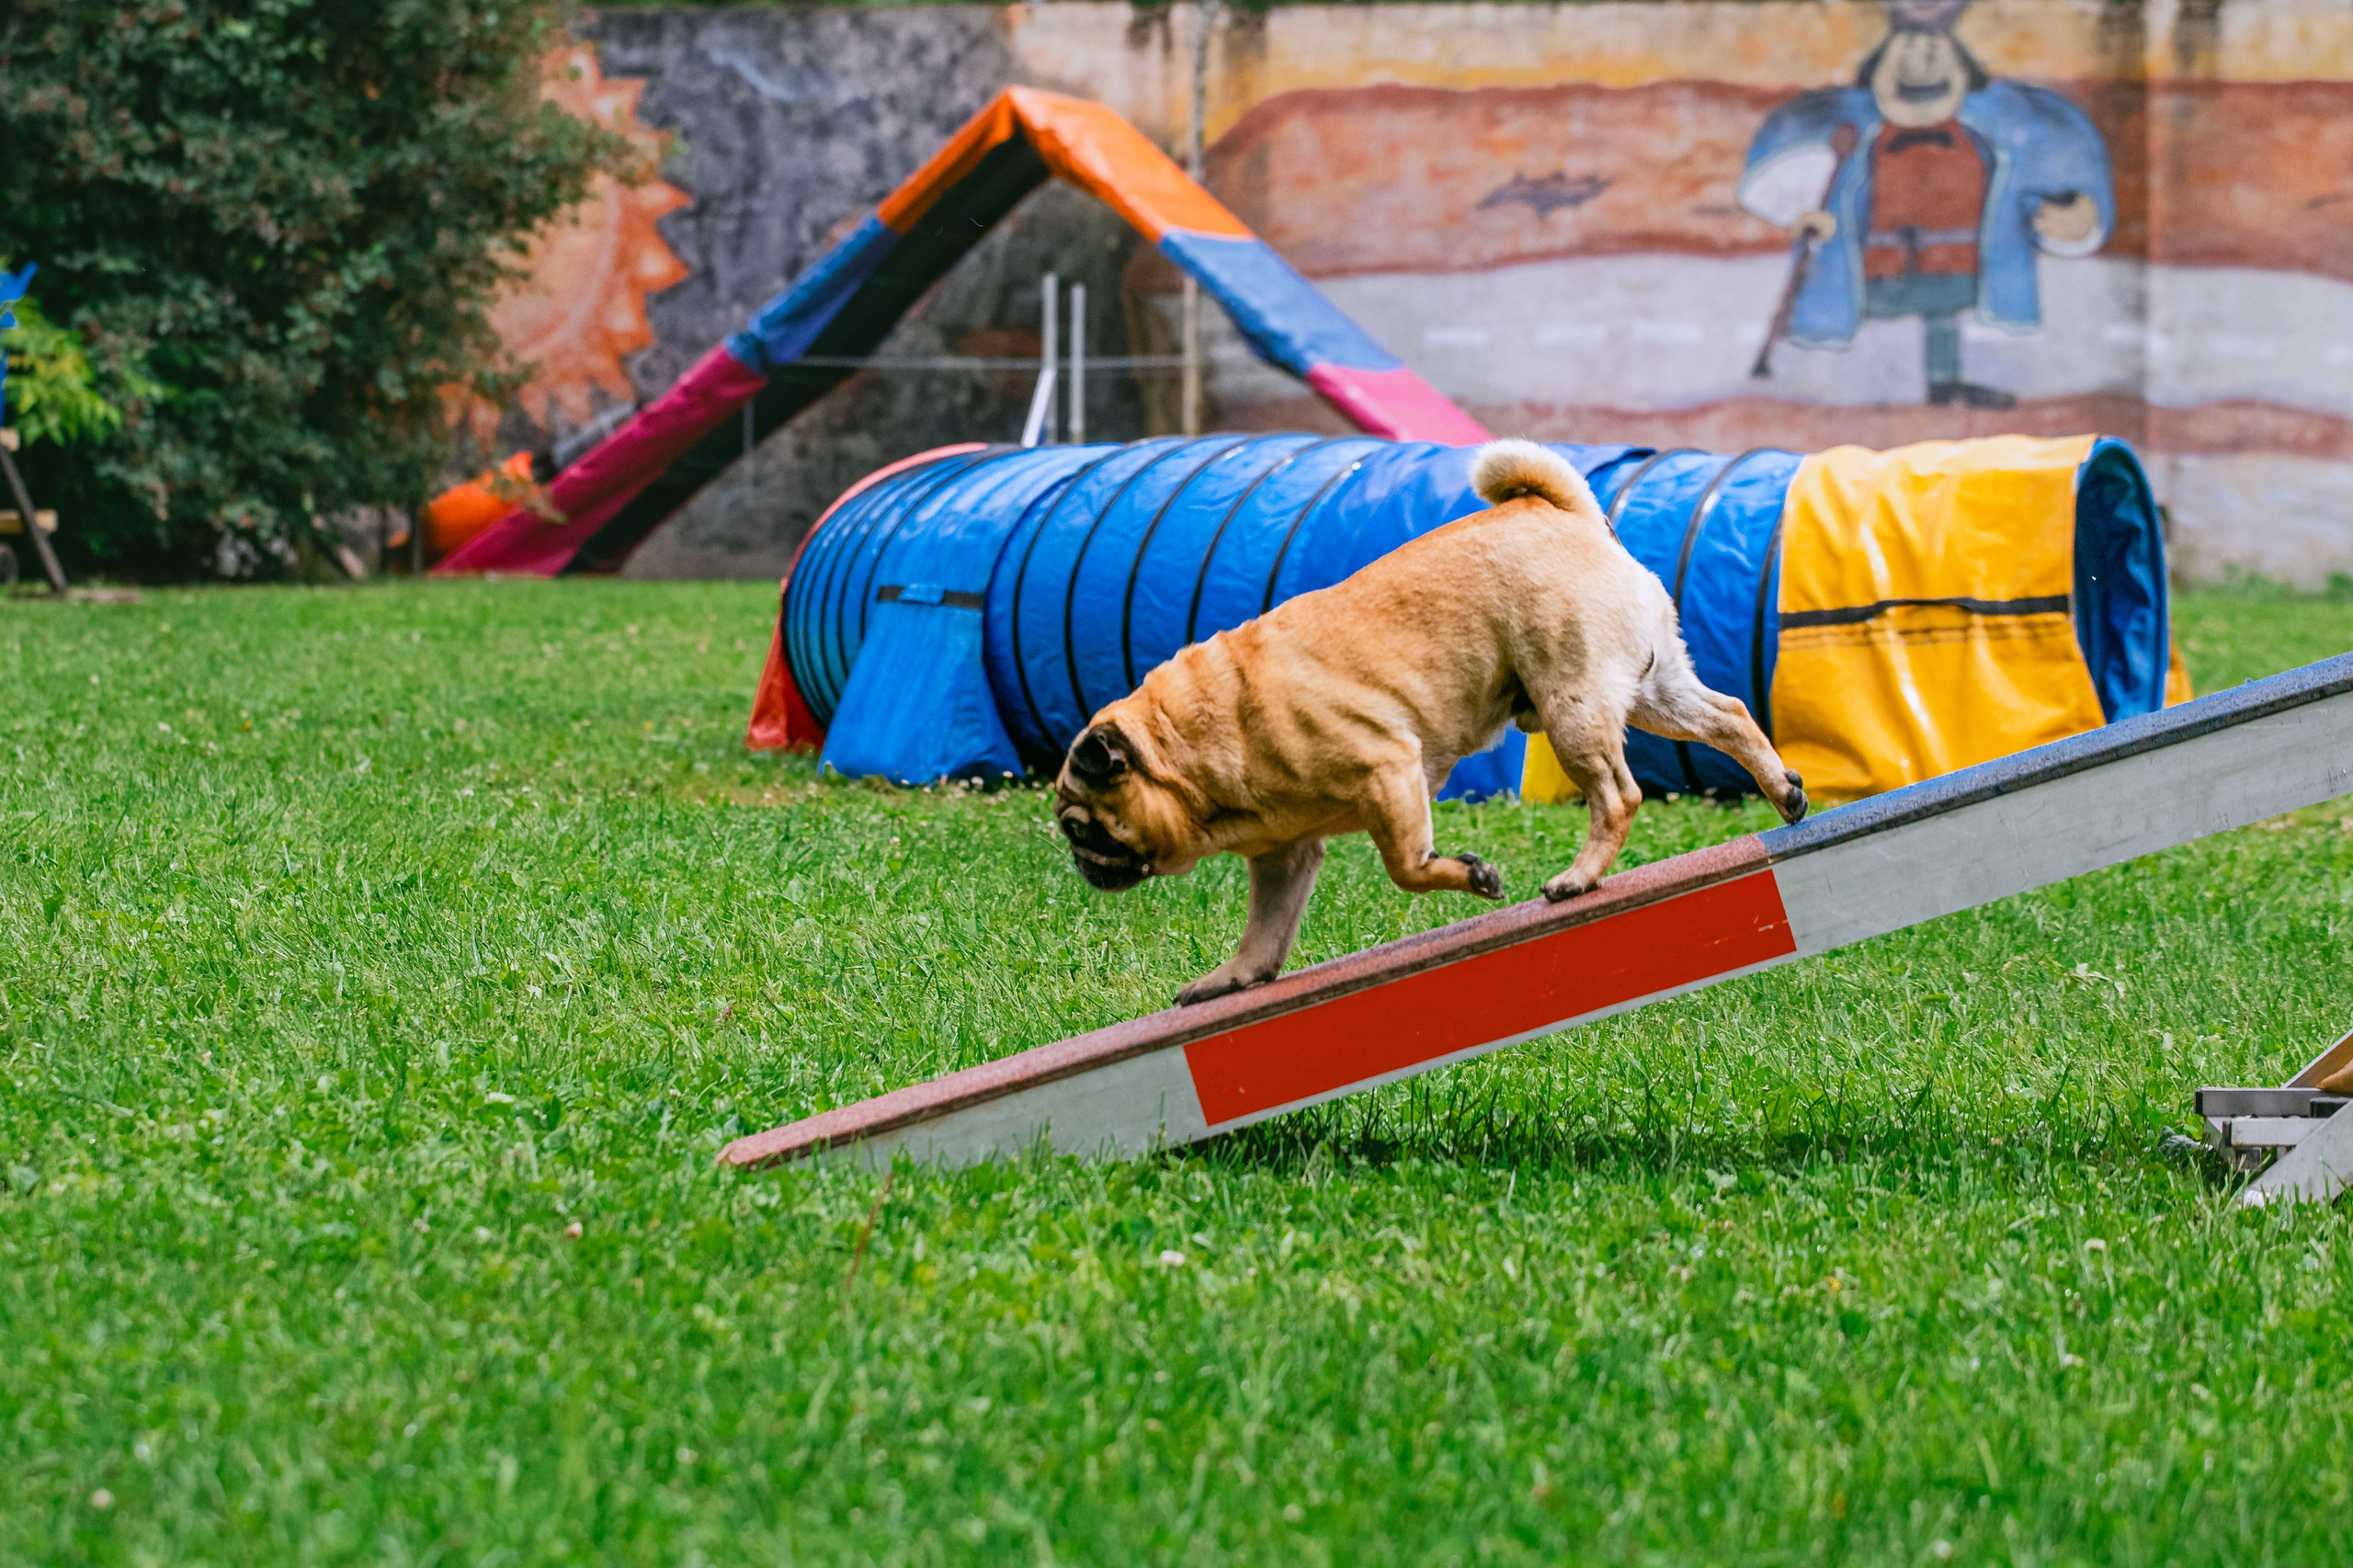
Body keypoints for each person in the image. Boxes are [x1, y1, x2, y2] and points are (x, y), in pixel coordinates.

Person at [1739, 0, 2111, 408]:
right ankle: (1868, 393)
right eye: (1907, 56)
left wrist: (2072, 216)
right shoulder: (1851, 137)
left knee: (1942, 320)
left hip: (1955, 265)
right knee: (1881, 322)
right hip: (1880, 267)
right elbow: (1801, 182)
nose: (1920, 68)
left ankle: (1942, 385)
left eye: (1934, 56)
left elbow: (2041, 185)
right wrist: (1808, 213)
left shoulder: (1995, 141)